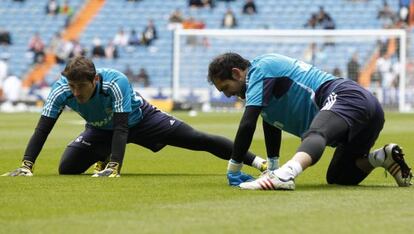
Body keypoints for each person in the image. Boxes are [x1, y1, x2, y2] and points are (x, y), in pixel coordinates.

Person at [2, 56, 267, 178]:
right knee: (67, 169)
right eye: (71, 86)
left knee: (199, 139)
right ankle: (103, 155)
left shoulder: (117, 82)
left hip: (143, 120)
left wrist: (114, 168)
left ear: (94, 79)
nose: (75, 93)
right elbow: (42, 128)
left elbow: (121, 127)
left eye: (80, 87)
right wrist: (27, 165)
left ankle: (259, 162)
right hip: (100, 130)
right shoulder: (62, 89)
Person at [207, 52, 412, 190]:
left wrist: (233, 169)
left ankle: (286, 175)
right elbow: (270, 122)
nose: (227, 95)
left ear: (236, 73)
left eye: (225, 87)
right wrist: (272, 166)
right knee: (339, 177)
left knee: (316, 134)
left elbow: (247, 124)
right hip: (366, 112)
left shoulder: (259, 70)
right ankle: (382, 157)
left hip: (346, 96)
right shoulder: (262, 87)